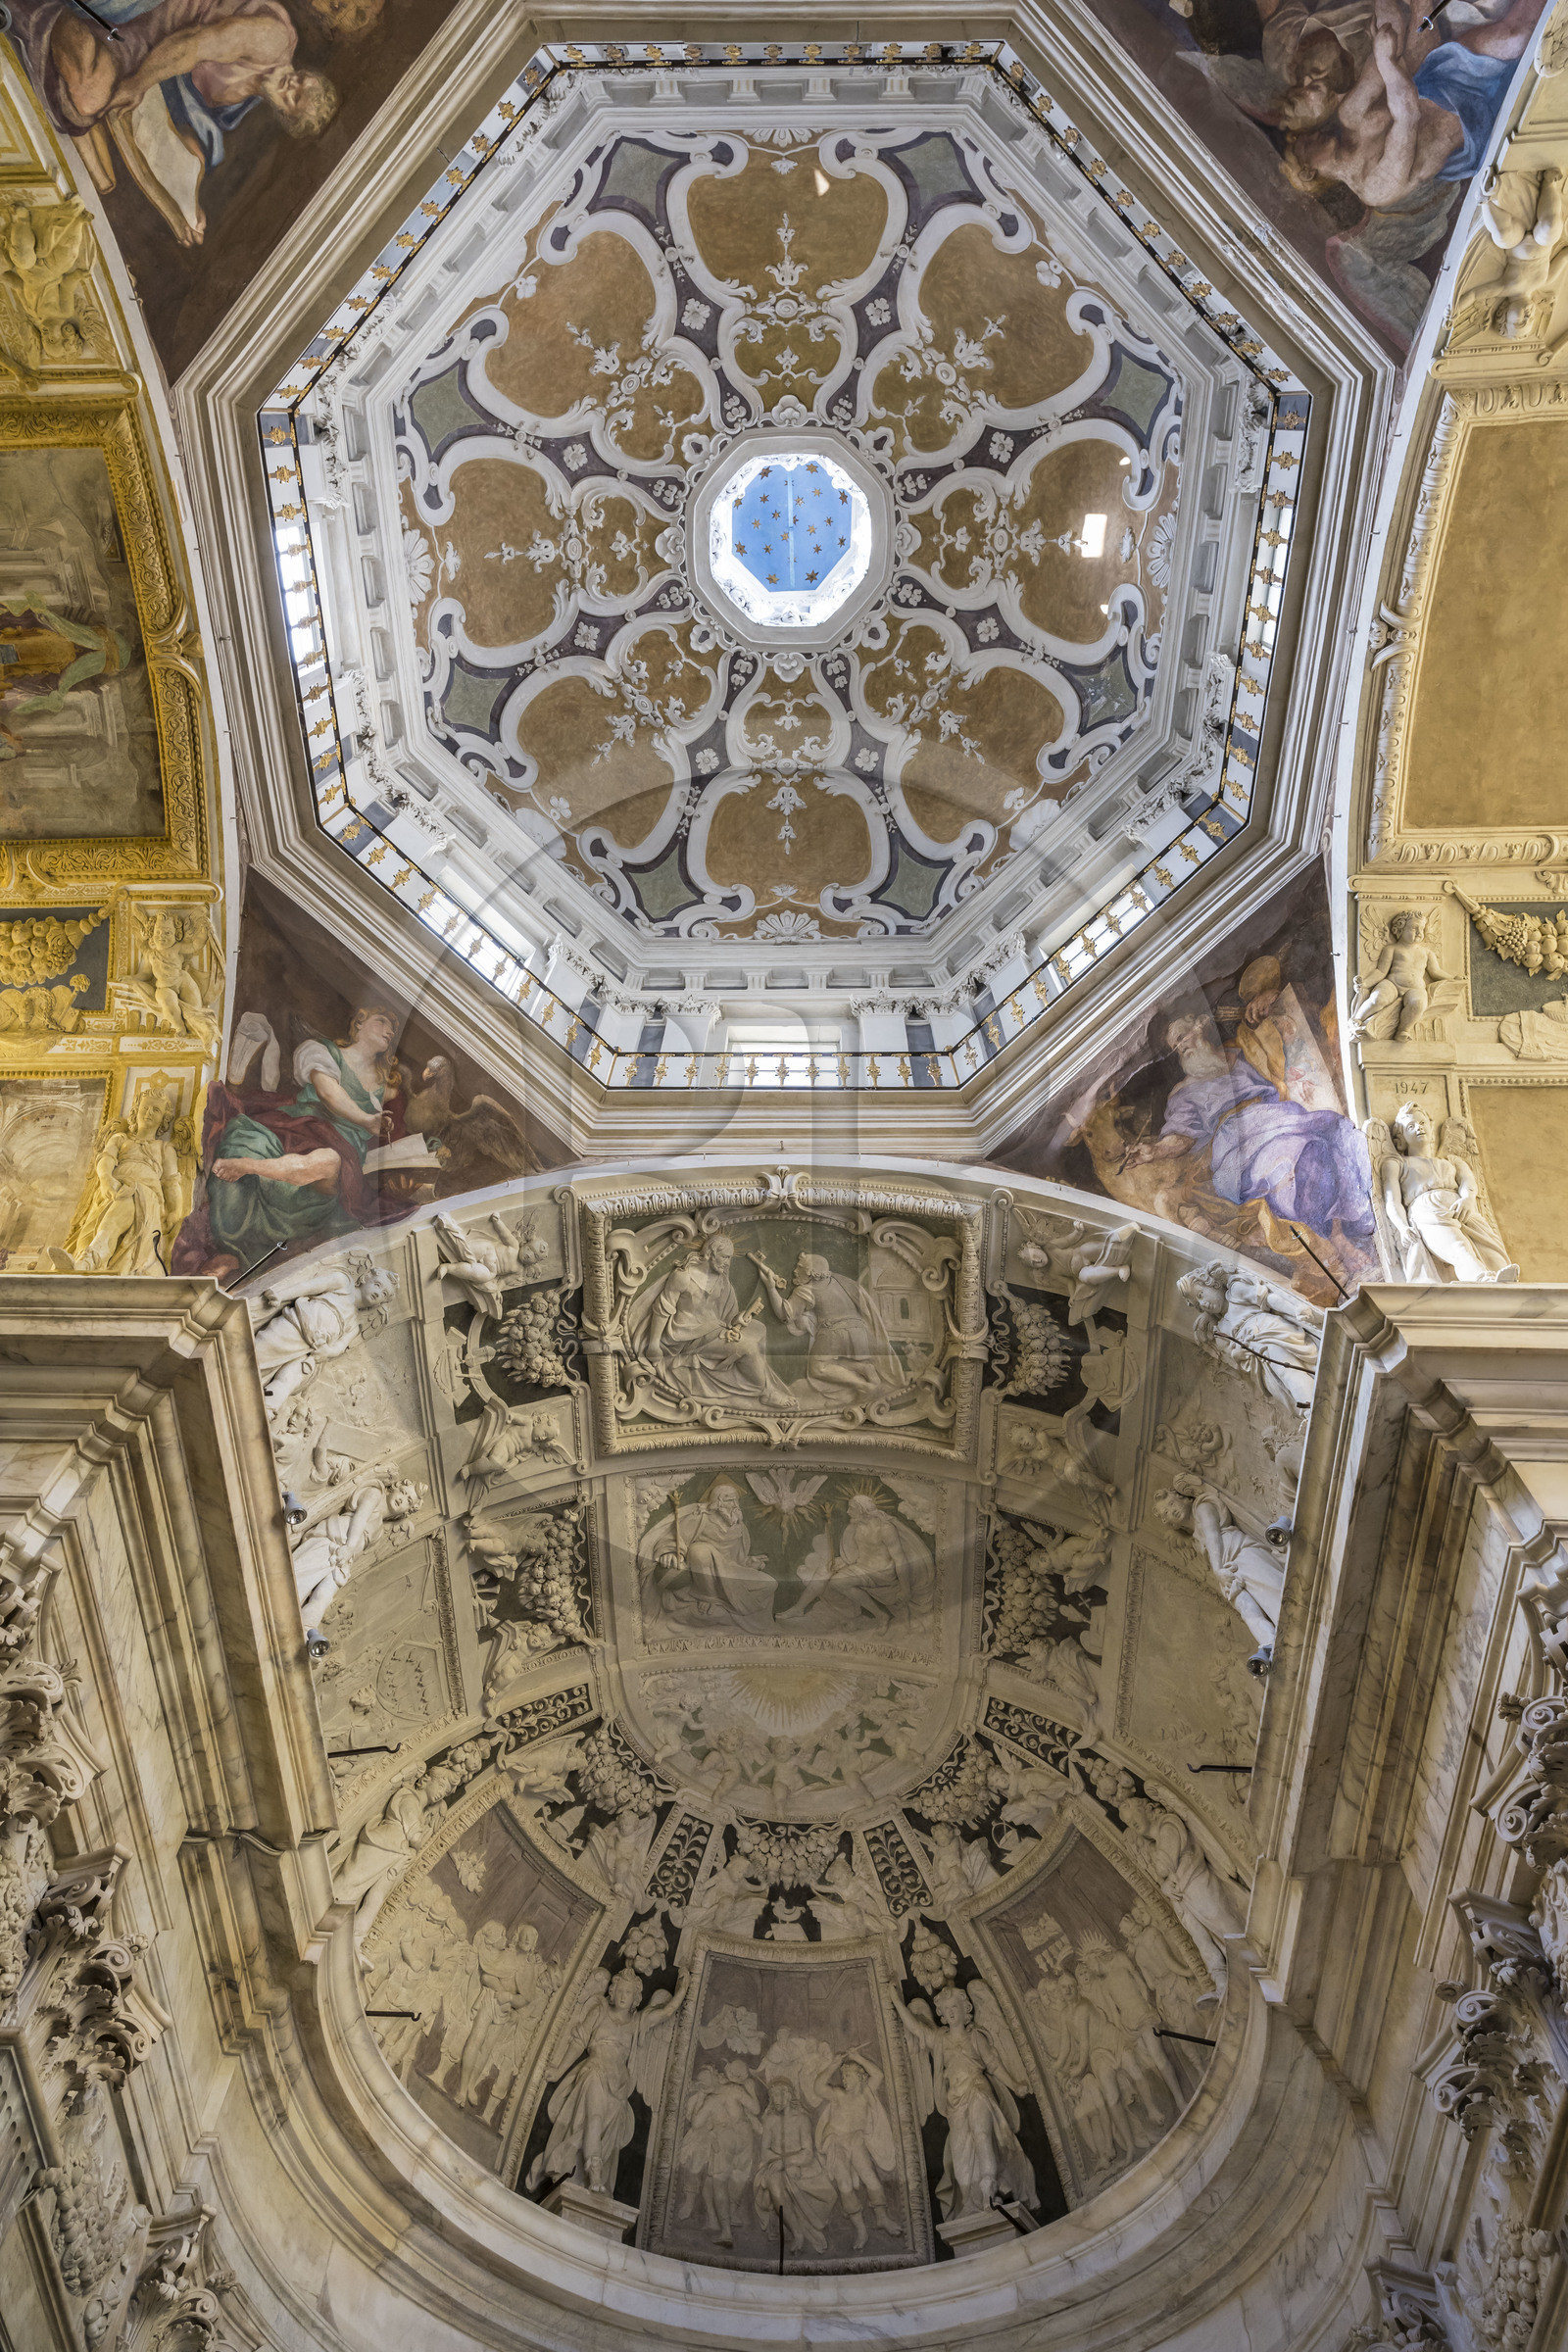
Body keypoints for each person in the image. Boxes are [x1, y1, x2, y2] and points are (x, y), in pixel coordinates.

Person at [8, 0, 337, 234]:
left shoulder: (242, 101)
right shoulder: (274, 40)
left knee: (88, 96)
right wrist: (138, 84)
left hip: (144, 42)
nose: (291, 83)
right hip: (148, 8)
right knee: (91, 96)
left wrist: (183, 203)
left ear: (284, 113)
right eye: (302, 79)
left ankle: (36, 12)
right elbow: (191, 44)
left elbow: (181, 119)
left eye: (294, 97)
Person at [1125, 1012, 1373, 1245]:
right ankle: (1338, 1238)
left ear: (1198, 1025)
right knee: (1293, 1161)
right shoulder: (1183, 1092)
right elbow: (1183, 1136)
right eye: (1175, 1046)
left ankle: (1359, 1211)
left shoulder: (1243, 1048)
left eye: (1181, 1037)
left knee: (1327, 1149)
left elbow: (1283, 1038)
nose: (1181, 1047)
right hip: (1236, 1144)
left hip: (1277, 1116)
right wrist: (1155, 1150)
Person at [199, 1004, 406, 1273]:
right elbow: (328, 1093)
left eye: (392, 1029)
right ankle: (231, 1249)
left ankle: (248, 1166)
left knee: (328, 1162)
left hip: (341, 1146)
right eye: (382, 1022)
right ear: (360, 1023)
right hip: (296, 1127)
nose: (389, 1032)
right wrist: (367, 1120)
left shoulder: (387, 1088)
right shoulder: (323, 1052)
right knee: (244, 1136)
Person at [1283, 0, 1547, 208]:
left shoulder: (1349, 116)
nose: (1313, 134)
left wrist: (1384, 41)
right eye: (1305, 144)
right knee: (1519, 39)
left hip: (1443, 74)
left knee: (1512, 36)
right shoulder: (1374, 188)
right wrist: (1386, 61)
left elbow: (1390, 47)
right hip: (1474, 121)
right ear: (1308, 173)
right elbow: (1408, 116)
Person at [625, 1233, 794, 1406]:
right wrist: (653, 1344)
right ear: (710, 1254)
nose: (728, 1262)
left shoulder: (721, 1280)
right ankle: (766, 1392)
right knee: (749, 1347)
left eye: (730, 1258)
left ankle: (747, 1379)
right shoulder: (683, 1276)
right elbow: (663, 1309)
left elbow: (727, 1316)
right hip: (686, 1338)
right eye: (725, 1257)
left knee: (758, 1328)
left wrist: (739, 1320)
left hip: (712, 1330)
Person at [752, 1250, 905, 1399]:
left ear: (811, 1273)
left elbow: (785, 1314)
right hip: (859, 1331)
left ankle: (863, 1385)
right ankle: (865, 1368)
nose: (795, 1271)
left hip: (834, 1332)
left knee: (818, 1368)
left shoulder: (805, 1290)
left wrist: (771, 1288)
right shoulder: (840, 1281)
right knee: (836, 1363)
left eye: (800, 1268)